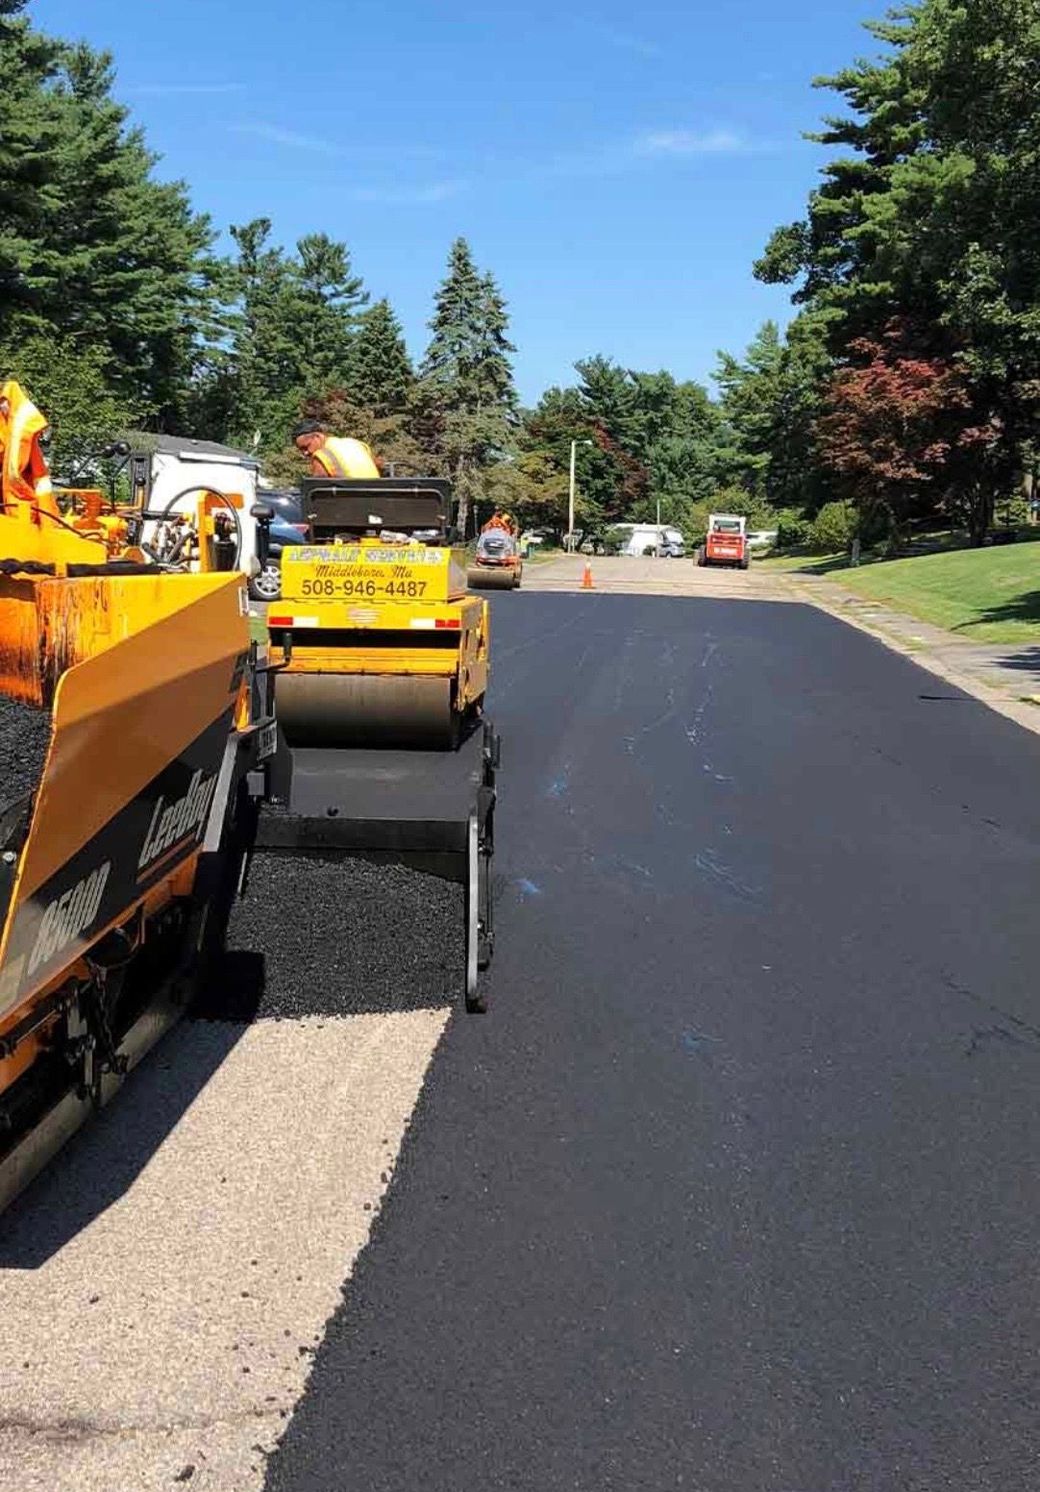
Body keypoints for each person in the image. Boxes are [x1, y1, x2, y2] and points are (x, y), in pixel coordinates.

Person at [0, 380, 57, 518]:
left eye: (4, 401)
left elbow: (14, 467)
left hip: (22, 485)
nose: (2, 405)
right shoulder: (9, 422)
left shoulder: (21, 424)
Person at [291, 420, 381, 479]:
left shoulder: (321, 456)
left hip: (351, 504)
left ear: (317, 436)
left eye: (306, 447)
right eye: (301, 450)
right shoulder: (357, 444)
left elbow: (317, 492)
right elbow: (378, 464)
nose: (305, 453)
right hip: (377, 500)